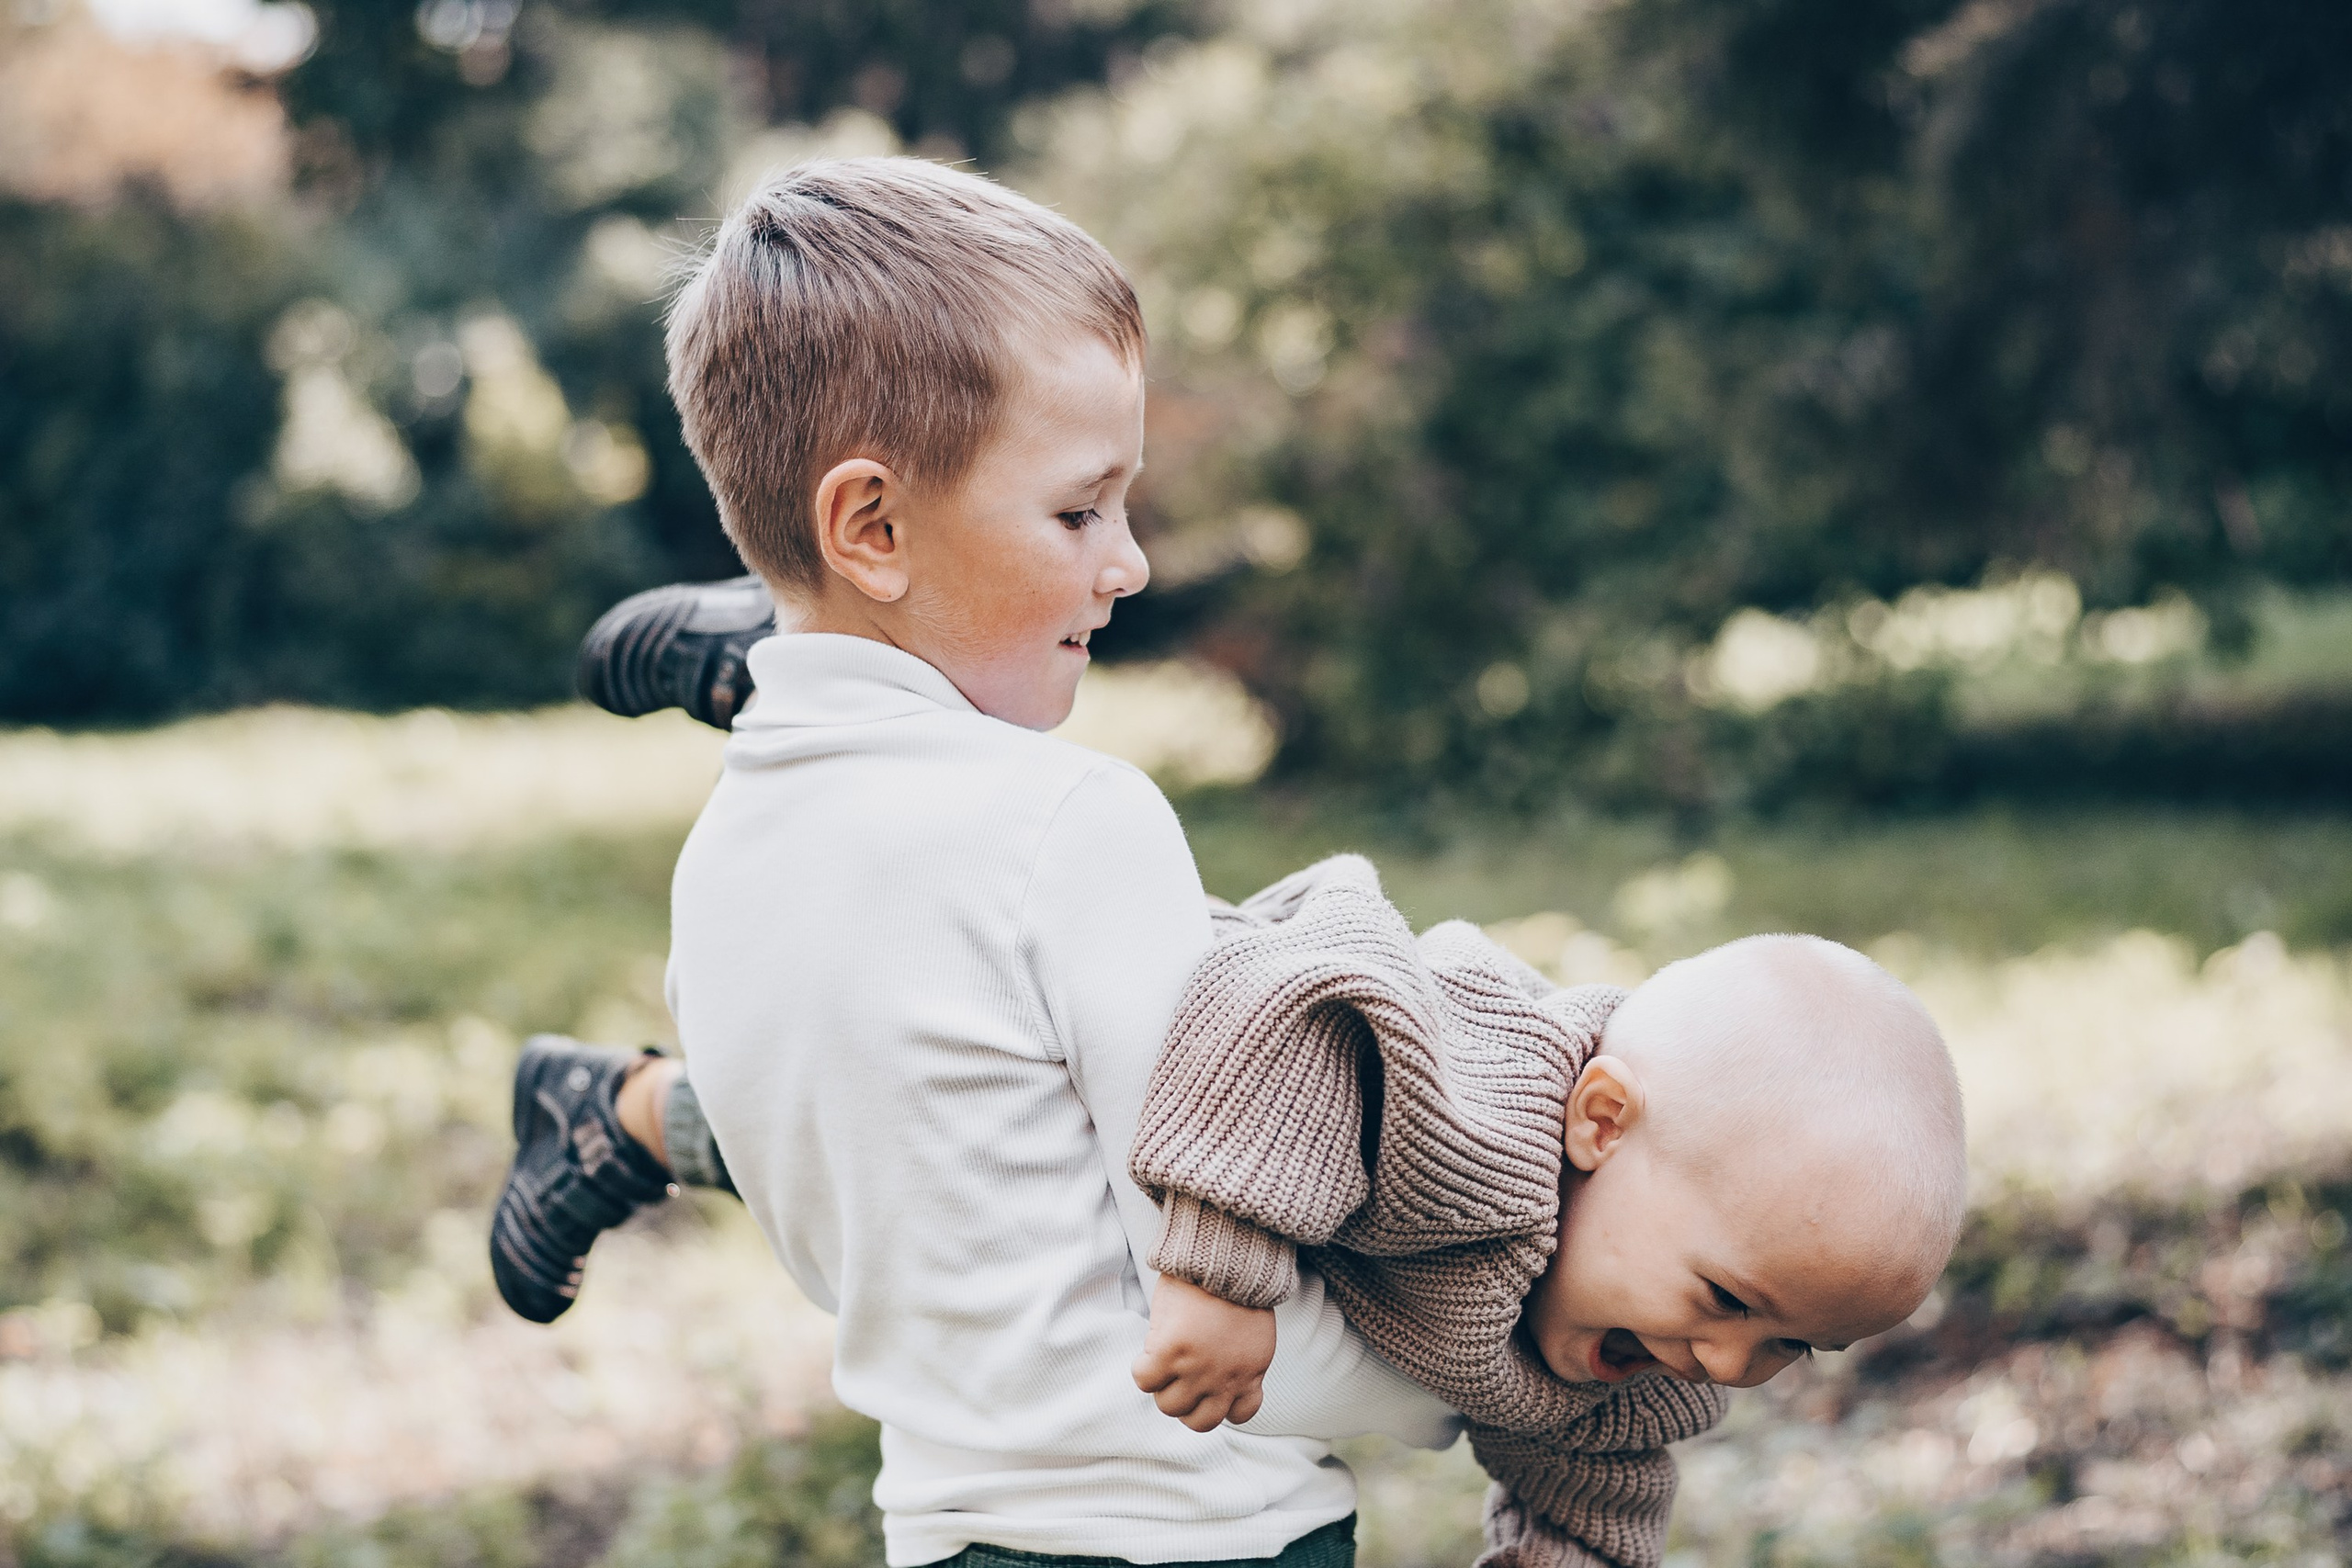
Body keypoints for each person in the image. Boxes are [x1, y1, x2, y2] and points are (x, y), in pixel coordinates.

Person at [486, 155, 1968, 1568]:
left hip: (945, 1520)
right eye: (1079, 512)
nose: (1129, 562)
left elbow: (895, 1205)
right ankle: (795, 649)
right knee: (1236, 1008)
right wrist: (1524, 1394)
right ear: (871, 524)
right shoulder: (1084, 828)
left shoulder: (720, 870)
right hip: (1180, 1533)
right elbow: (1197, 1275)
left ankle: (799, 664)